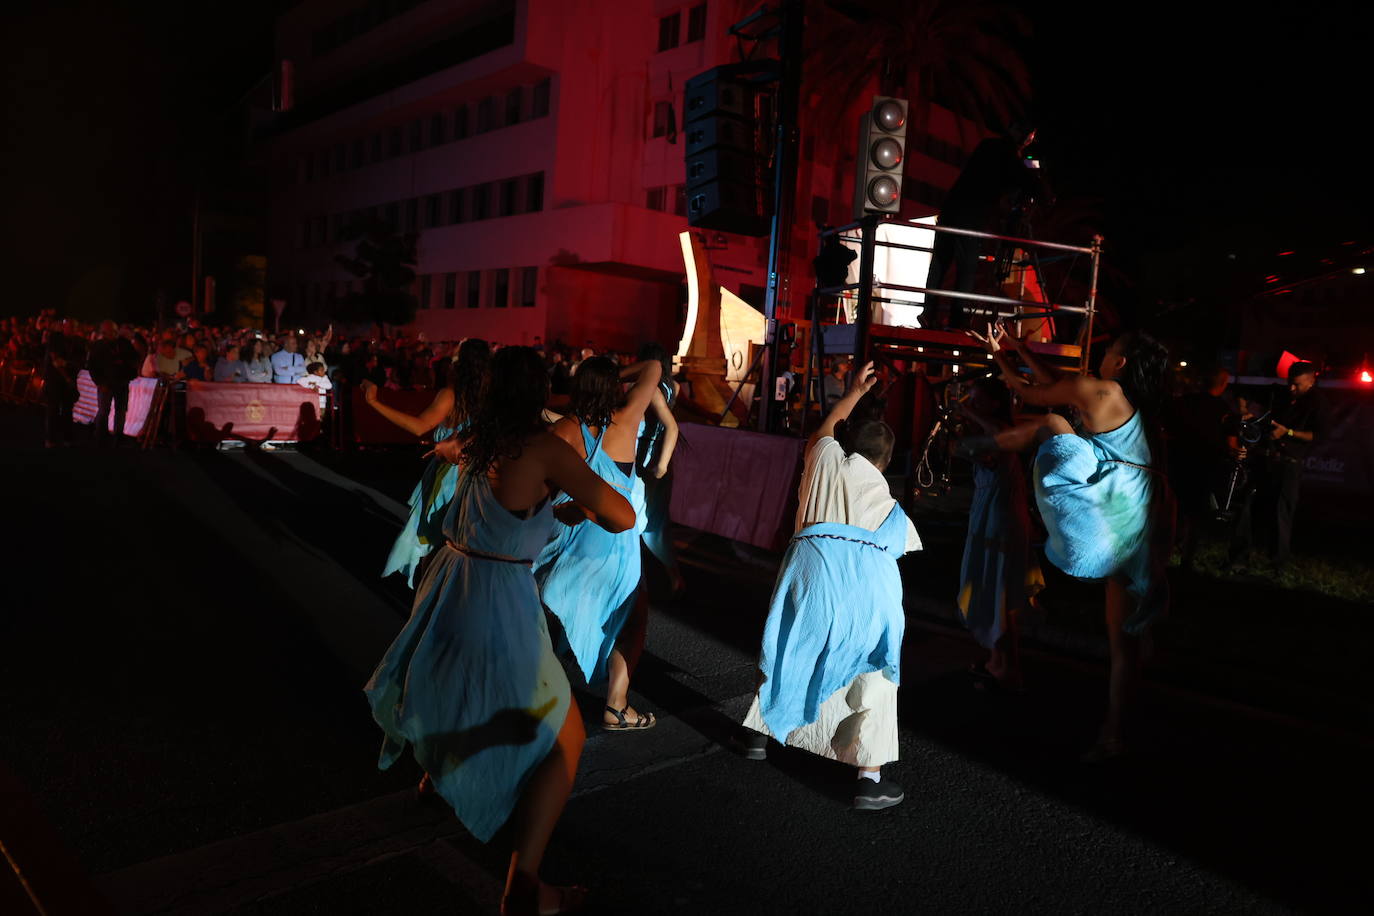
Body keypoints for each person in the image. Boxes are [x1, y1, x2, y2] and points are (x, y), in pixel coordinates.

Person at [365, 346, 633, 916]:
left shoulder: (476, 440)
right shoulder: (541, 447)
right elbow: (623, 515)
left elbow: (484, 493)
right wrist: (579, 505)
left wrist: (547, 512)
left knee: (462, 686)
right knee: (566, 737)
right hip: (497, 597)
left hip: (452, 582)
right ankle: (525, 885)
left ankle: (437, 780)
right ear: (538, 393)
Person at [965, 321, 1173, 760]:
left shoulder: (1101, 391)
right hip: (1144, 518)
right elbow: (1054, 382)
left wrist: (1001, 355)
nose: (1103, 352)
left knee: (1054, 424)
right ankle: (1115, 734)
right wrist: (1017, 347)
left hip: (1109, 515)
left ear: (1120, 361)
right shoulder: (1135, 405)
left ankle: (979, 448)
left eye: (1110, 347)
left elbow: (1033, 394)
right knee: (1124, 644)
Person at [740, 362, 922, 810]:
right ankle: (868, 777)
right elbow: (899, 549)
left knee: (789, 647)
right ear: (884, 462)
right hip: (867, 587)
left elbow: (827, 426)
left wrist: (855, 391)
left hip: (810, 571)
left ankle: (758, 736)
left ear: (846, 445)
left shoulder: (821, 459)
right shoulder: (889, 506)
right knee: (873, 673)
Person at [534, 355, 662, 731]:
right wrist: (613, 377)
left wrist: (593, 380)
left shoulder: (563, 433)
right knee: (631, 620)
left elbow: (540, 493)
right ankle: (616, 706)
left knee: (551, 613)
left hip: (568, 533)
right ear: (613, 390)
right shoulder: (625, 421)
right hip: (613, 541)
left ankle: (538, 698)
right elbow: (653, 366)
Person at [366, 338, 491, 586]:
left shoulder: (451, 396)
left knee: (433, 543)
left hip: (447, 478)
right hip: (479, 477)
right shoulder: (492, 399)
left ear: (462, 365)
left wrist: (373, 401)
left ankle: (428, 603)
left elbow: (418, 426)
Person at [955, 375, 1039, 692]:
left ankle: (1007, 667)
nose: (971, 405)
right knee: (991, 589)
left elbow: (999, 438)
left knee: (998, 589)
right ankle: (998, 659)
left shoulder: (1007, 430)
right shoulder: (987, 431)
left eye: (977, 400)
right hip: (988, 513)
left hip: (1001, 517)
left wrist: (968, 414)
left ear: (993, 404)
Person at [1227, 362, 1329, 569]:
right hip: (1264, 460)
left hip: (1289, 464)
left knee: (1280, 513)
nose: (1291, 388)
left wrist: (1288, 432)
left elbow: (1317, 435)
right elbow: (1242, 391)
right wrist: (1244, 411)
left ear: (1311, 381)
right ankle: (1237, 557)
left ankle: (1277, 564)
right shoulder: (1280, 393)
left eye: (1297, 385)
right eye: (1289, 383)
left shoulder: (1319, 403)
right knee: (1247, 507)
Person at [634, 342, 683, 593]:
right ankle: (672, 575)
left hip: (646, 461)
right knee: (656, 522)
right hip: (662, 458)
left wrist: (660, 466)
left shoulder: (649, 389)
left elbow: (670, 426)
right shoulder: (674, 387)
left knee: (638, 519)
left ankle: (634, 579)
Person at [86, 320, 140, 445]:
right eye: (110, 331)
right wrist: (99, 383)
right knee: (104, 410)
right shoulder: (98, 346)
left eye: (115, 331)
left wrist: (130, 374)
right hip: (106, 383)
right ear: (104, 332)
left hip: (121, 382)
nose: (113, 333)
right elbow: (92, 366)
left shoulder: (124, 343)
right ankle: (100, 435)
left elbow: (134, 359)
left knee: (121, 410)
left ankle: (118, 436)